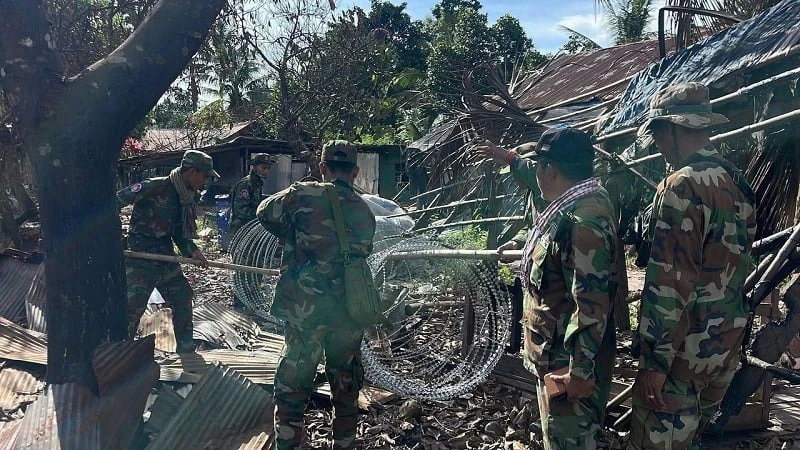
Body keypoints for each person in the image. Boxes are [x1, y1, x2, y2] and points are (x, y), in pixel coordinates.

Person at [629, 82, 757, 449]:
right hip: (724, 342)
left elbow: (670, 284)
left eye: (656, 132)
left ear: (671, 128)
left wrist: (654, 361)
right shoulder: (736, 180)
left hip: (684, 351)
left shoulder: (681, 185)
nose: (655, 142)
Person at [257, 140, 375, 450]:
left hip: (304, 310)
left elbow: (265, 212)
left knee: (294, 384)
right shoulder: (365, 210)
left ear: (322, 168)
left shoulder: (303, 194)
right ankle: (345, 443)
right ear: (356, 171)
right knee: (346, 384)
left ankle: (289, 444)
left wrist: (293, 235)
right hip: (348, 311)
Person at [515, 127, 619, 449]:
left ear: (550, 170)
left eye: (538, 168)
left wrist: (579, 372)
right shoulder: (577, 204)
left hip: (567, 364)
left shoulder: (583, 220)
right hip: (556, 357)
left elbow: (591, 304)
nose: (537, 175)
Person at [117, 150, 217, 353]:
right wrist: (114, 235)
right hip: (140, 256)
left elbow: (179, 233)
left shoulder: (185, 197)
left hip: (164, 255)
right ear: (192, 172)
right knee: (132, 307)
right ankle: (118, 354)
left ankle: (186, 350)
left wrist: (193, 251)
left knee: (182, 297)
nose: (205, 182)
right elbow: (117, 199)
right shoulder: (156, 186)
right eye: (204, 176)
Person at [475, 140, 544, 256]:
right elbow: (533, 227)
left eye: (517, 170)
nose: (514, 175)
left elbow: (534, 173)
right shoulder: (531, 196)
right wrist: (517, 242)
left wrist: (511, 158)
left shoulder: (549, 192)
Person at [228, 153, 276, 239]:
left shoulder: (257, 184)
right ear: (254, 167)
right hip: (240, 231)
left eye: (268, 168)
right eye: (263, 168)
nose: (266, 171)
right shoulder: (245, 184)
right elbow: (240, 210)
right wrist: (261, 215)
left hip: (249, 230)